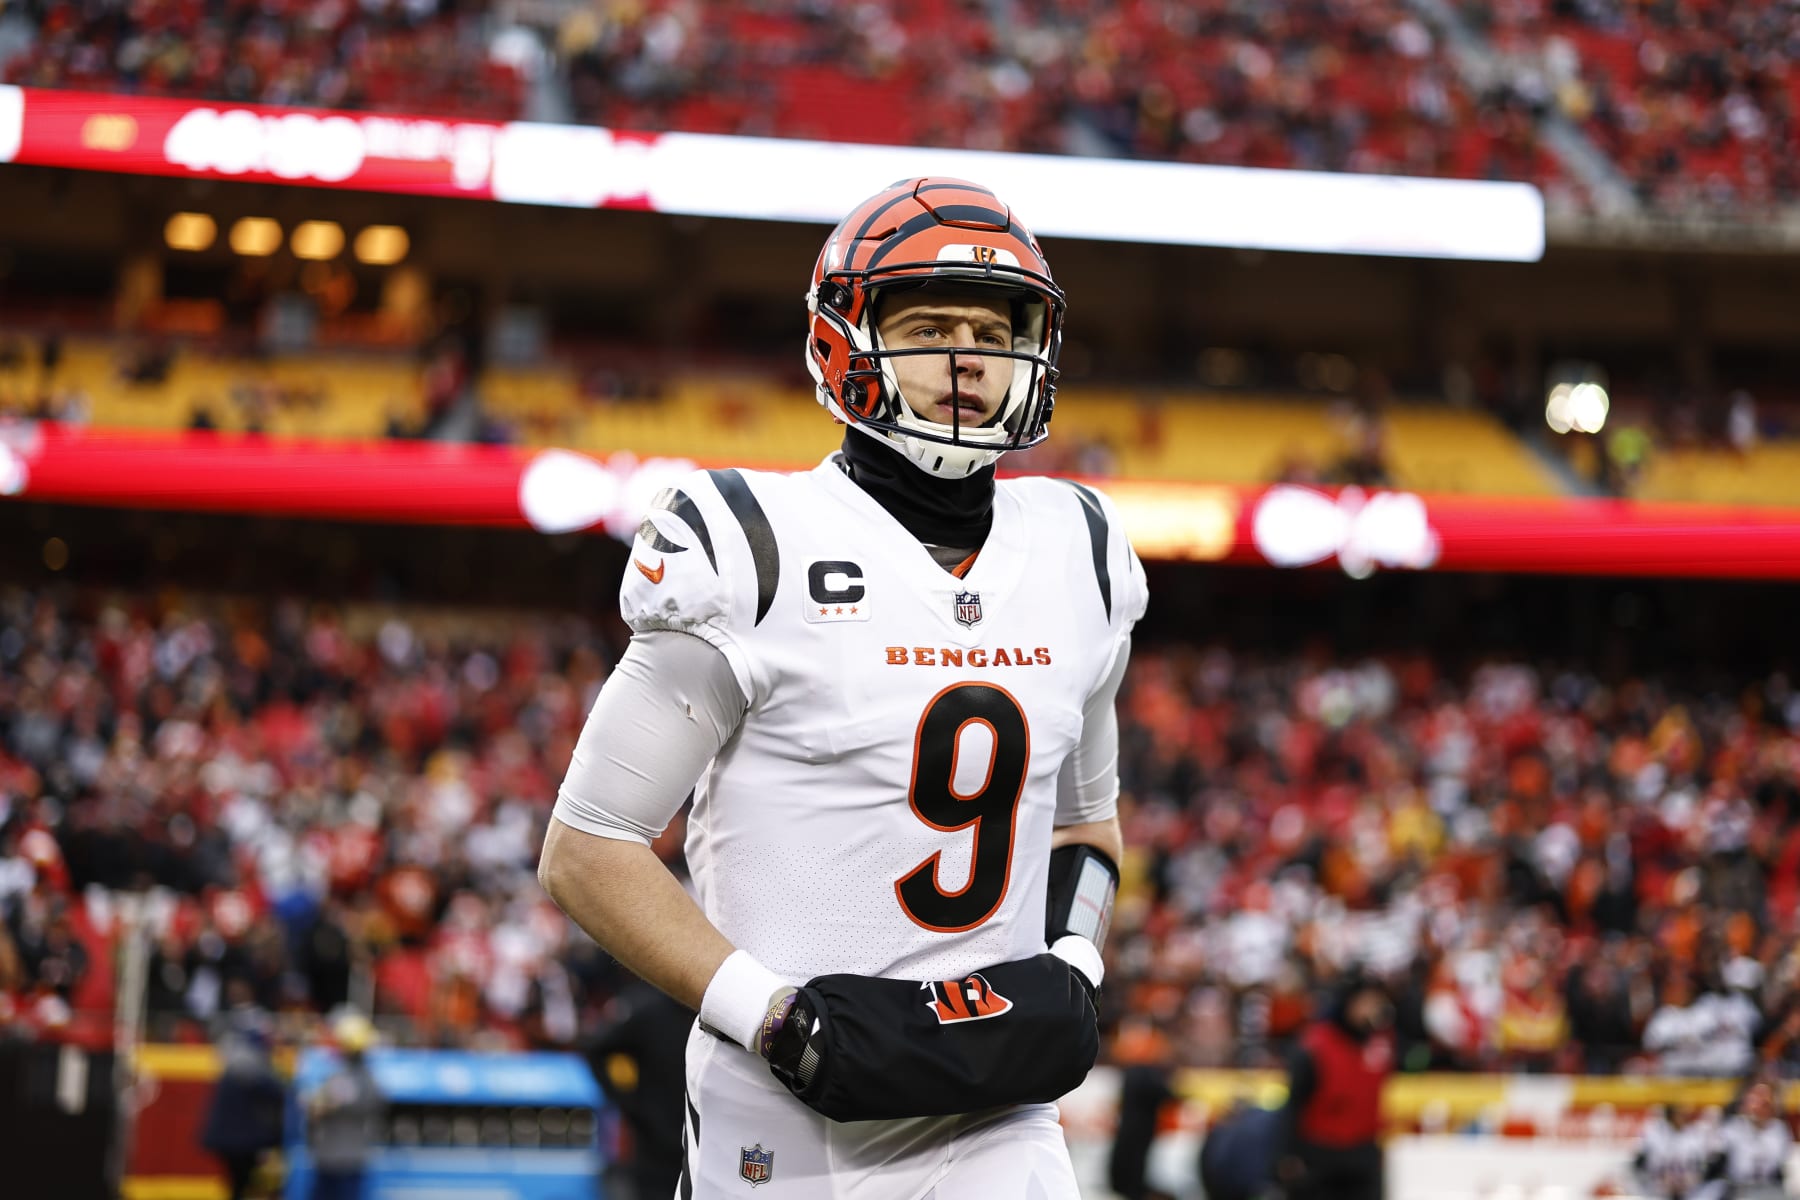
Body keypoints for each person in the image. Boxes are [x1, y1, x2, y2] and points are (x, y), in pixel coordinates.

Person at [539, 177, 1148, 1197]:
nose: (966, 357)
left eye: (991, 329)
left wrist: (1074, 967)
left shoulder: (1081, 549)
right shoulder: (752, 541)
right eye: (925, 326)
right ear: (846, 340)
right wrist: (772, 1015)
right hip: (785, 1110)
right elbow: (587, 846)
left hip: (1001, 1108)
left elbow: (1086, 825)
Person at [1274, 974, 1394, 1200]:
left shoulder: (1381, 1044)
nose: (1372, 1009)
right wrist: (1288, 1156)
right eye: (1366, 1002)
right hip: (1321, 1154)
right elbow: (1294, 1106)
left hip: (1363, 1153)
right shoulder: (1314, 1047)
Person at [199, 1018, 286, 1200]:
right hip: (243, 1141)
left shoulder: (233, 1062)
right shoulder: (250, 1065)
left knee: (238, 1183)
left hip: (229, 1138)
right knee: (244, 1183)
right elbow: (276, 1092)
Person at [304, 1012, 386, 1200]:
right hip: (340, 1158)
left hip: (341, 1160)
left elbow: (320, 1107)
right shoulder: (365, 1078)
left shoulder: (350, 1078)